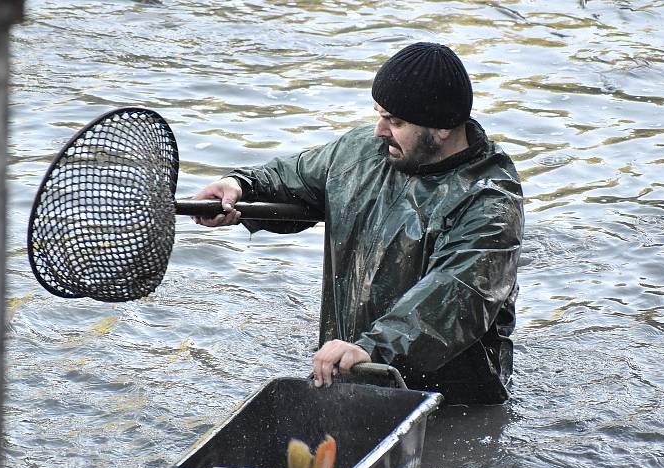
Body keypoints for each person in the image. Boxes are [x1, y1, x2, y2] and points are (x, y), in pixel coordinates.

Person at [192, 42, 524, 404]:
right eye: (379, 114)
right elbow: (294, 177)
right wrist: (239, 186)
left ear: (443, 128)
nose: (380, 130)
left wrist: (373, 349)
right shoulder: (361, 152)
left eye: (395, 121)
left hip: (453, 395)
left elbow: (455, 297)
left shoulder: (490, 202)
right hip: (348, 365)